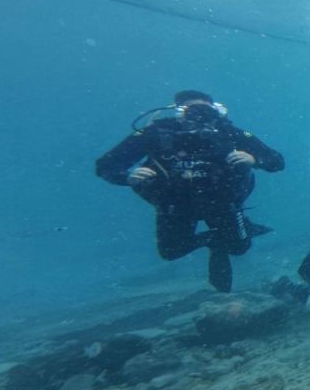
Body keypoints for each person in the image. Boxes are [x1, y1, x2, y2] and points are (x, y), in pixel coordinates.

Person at [96, 90, 284, 292]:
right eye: (192, 109)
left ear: (215, 110)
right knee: (170, 251)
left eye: (205, 109)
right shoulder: (157, 133)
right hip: (175, 204)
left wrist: (254, 160)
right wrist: (127, 176)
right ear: (178, 111)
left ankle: (227, 237)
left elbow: (277, 161)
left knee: (239, 248)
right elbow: (105, 165)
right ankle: (215, 240)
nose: (200, 115)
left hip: (223, 201)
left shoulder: (229, 132)